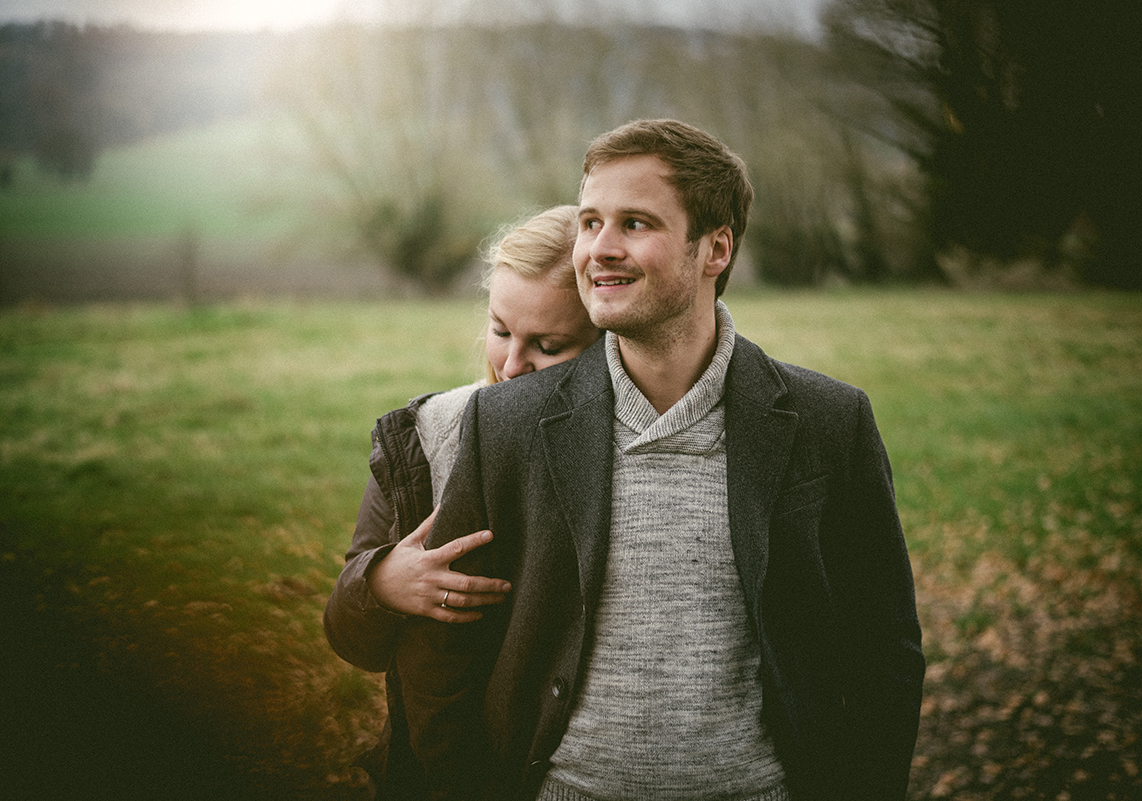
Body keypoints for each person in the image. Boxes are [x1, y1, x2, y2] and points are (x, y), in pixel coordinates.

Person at [396, 119, 925, 801]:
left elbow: (884, 653)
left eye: (635, 223)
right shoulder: (505, 425)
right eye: (590, 222)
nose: (599, 249)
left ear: (715, 248)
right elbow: (443, 663)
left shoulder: (830, 423)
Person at [323, 204, 601, 799]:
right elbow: (348, 636)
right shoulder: (425, 442)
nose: (511, 363)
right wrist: (381, 584)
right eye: (501, 330)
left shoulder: (627, 464)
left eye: (548, 345)